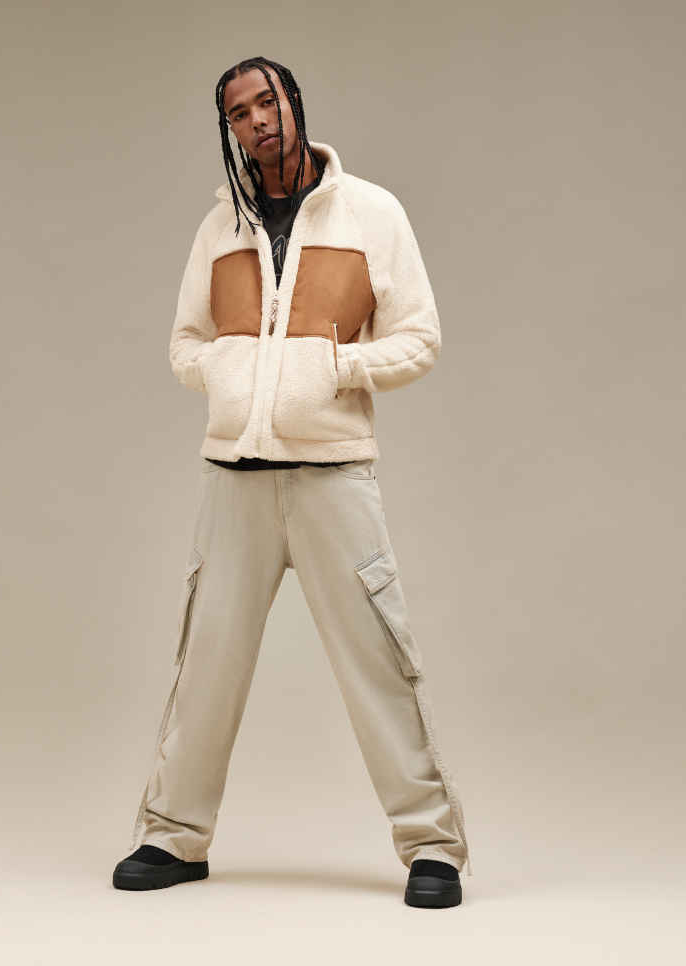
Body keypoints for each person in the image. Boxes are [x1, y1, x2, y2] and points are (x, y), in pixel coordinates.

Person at [112, 56, 471, 908]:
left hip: (332, 478)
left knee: (379, 662)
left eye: (266, 101)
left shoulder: (372, 213)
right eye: (238, 113)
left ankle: (433, 846)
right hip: (233, 480)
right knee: (205, 666)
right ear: (230, 129)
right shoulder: (220, 228)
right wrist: (229, 375)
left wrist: (337, 369)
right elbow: (185, 344)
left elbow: (420, 338)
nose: (257, 121)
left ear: (295, 102)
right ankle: (173, 837)